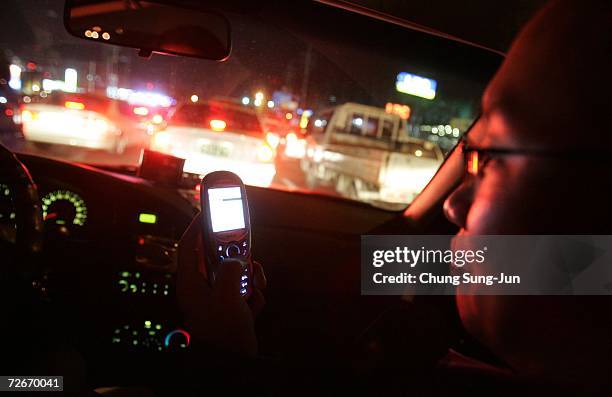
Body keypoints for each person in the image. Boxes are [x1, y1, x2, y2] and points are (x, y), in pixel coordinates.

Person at [177, 0, 611, 394]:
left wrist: (225, 356)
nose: (452, 204)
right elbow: (409, 259)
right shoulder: (569, 265)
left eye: (493, 153)